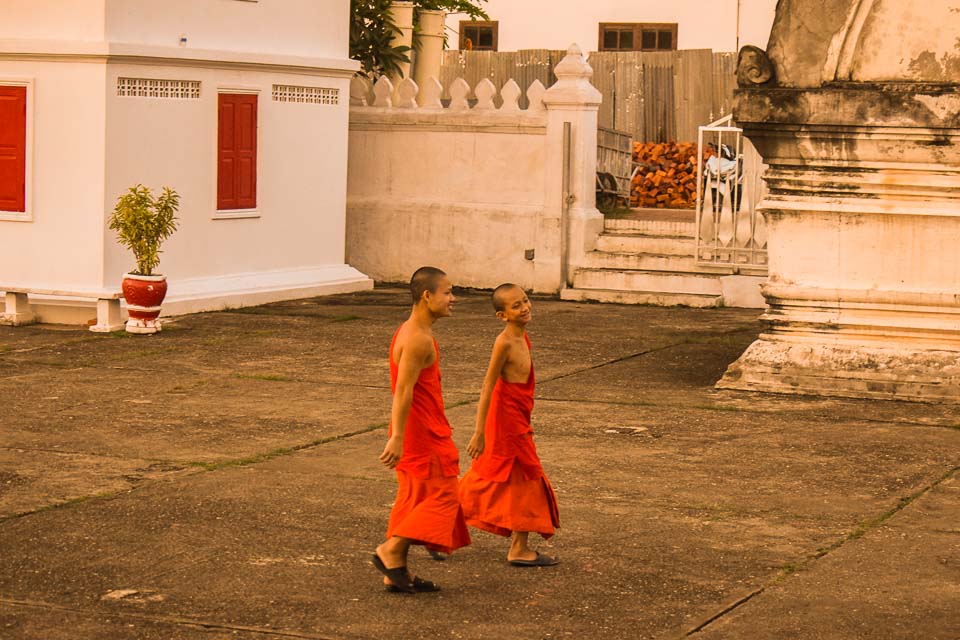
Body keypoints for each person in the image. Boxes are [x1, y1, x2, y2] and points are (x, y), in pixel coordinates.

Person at [372, 266, 471, 594]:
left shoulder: (411, 330)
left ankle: (396, 571)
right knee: (444, 495)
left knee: (414, 498)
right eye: (447, 292)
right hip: (421, 434)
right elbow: (403, 391)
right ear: (427, 296)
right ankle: (392, 549)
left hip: (419, 429)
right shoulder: (417, 338)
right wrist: (397, 436)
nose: (453, 299)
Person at [459, 283, 560, 566]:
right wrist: (479, 433)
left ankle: (437, 525)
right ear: (502, 316)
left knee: (495, 478)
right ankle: (518, 548)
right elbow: (487, 386)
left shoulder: (522, 338)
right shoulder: (504, 342)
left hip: (518, 418)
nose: (525, 308)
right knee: (525, 477)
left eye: (525, 301)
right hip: (505, 423)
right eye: (516, 306)